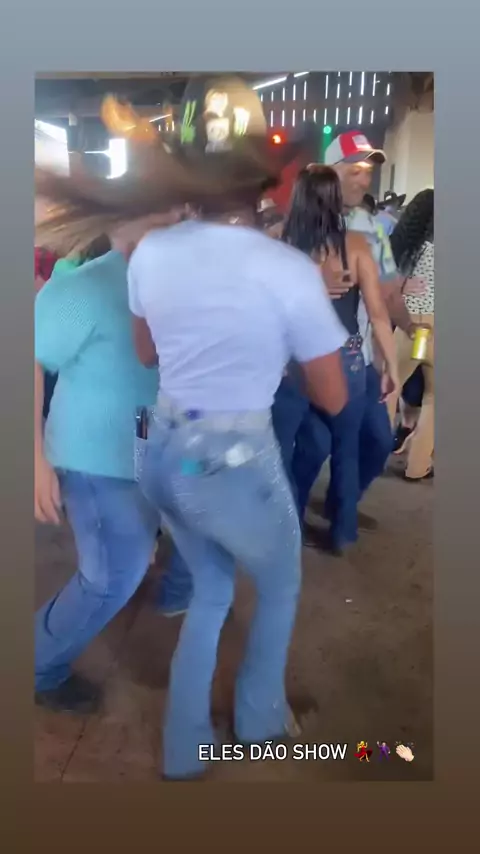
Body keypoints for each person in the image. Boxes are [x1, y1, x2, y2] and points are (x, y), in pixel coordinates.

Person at [34, 213, 193, 713]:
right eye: (164, 211)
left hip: (144, 444)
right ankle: (37, 666)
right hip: (93, 457)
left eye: (183, 212)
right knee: (109, 578)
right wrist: (33, 458)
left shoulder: (173, 280)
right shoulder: (87, 288)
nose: (178, 220)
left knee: (127, 559)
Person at [290, 131, 426, 536]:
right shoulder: (298, 222)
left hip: (357, 356)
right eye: (354, 170)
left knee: (378, 440)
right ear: (328, 172)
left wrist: (409, 328)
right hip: (303, 359)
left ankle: (340, 505)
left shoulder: (371, 228)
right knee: (313, 446)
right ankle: (294, 519)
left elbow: (387, 293)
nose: (363, 179)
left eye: (368, 171)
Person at [272, 166, 398, 553]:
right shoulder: (356, 244)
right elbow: (378, 313)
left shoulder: (277, 243)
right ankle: (343, 532)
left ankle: (286, 527)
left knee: (282, 448)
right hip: (347, 357)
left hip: (292, 360)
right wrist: (391, 365)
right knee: (346, 447)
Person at [387, 189, 434, 480]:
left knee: (390, 387)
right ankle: (418, 466)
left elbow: (390, 285)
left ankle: (375, 451)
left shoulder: (412, 247)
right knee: (435, 399)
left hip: (415, 328)